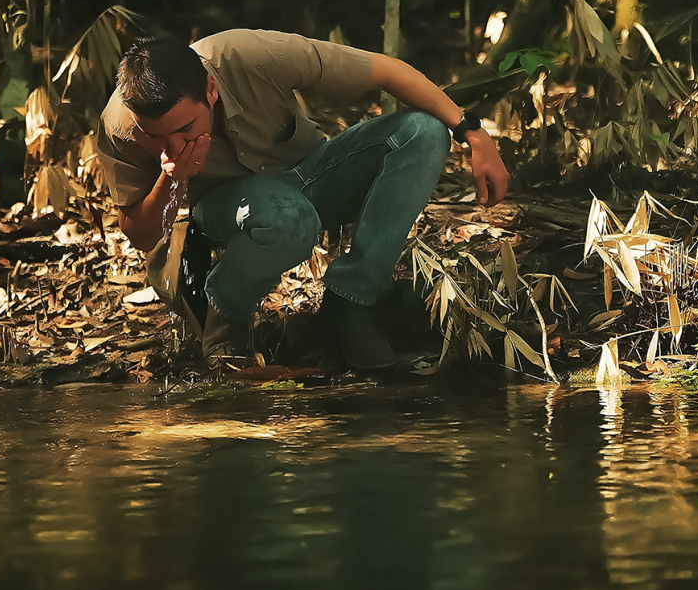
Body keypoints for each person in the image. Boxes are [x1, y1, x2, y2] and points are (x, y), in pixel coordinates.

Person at [96, 30, 509, 368]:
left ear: (210, 88)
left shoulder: (250, 57)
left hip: (314, 171)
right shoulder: (120, 128)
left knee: (424, 132)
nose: (174, 143)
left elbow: (386, 71)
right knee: (288, 219)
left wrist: (472, 132)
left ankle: (350, 302)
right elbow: (138, 233)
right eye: (158, 137)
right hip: (230, 206)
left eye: (185, 127)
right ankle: (223, 314)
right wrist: (173, 180)